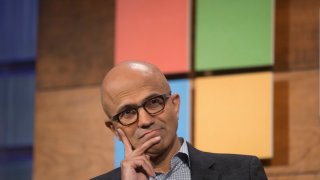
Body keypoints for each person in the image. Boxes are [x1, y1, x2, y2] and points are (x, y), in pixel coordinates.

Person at [93, 61, 268, 180]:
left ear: (175, 105)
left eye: (153, 102)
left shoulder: (244, 173)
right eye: (128, 112)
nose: (145, 121)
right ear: (114, 129)